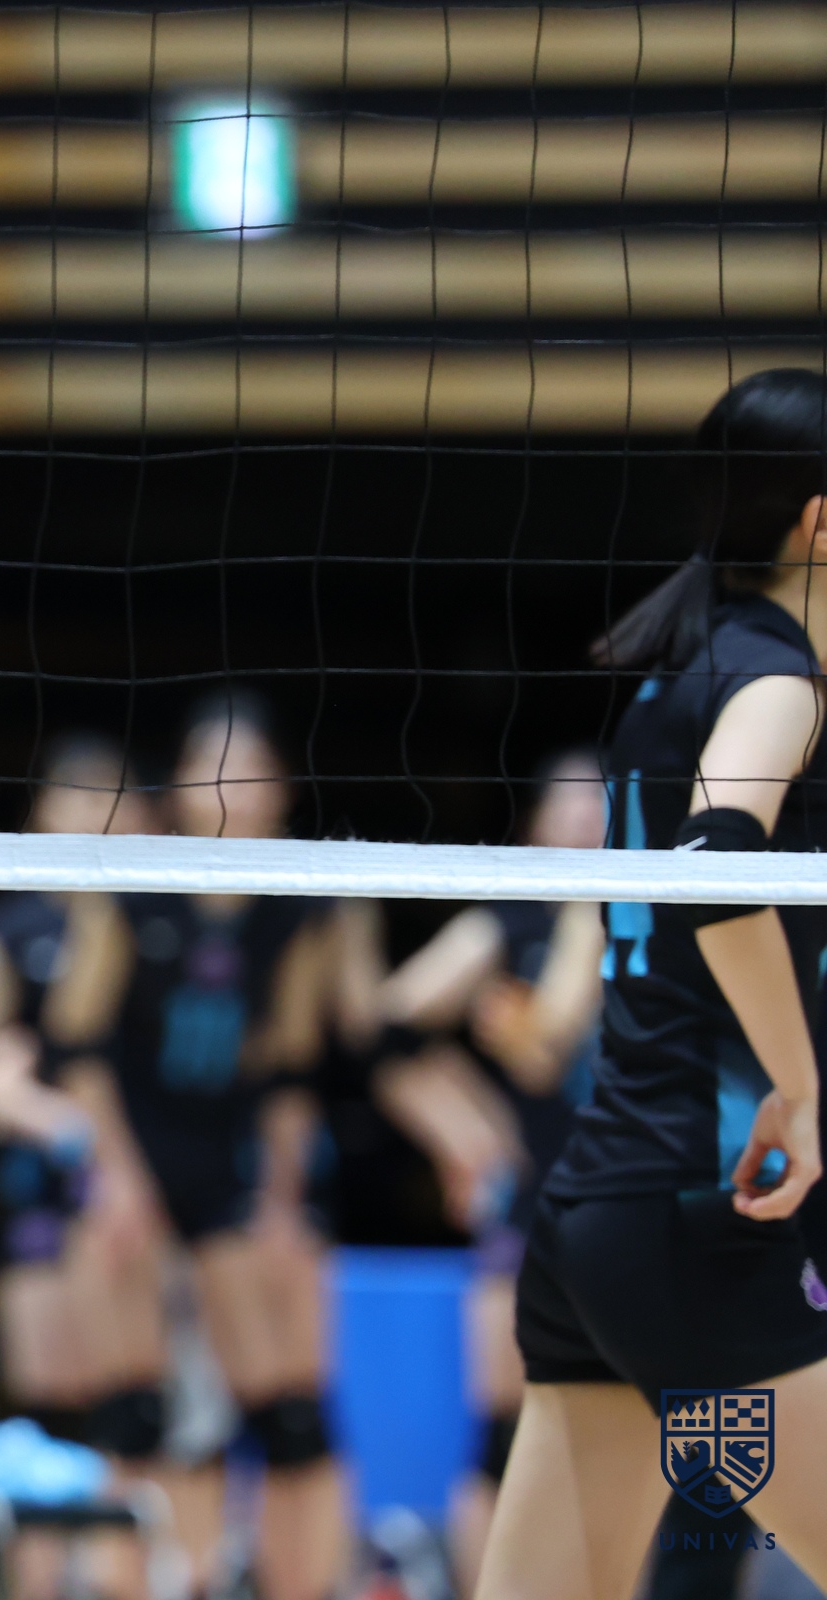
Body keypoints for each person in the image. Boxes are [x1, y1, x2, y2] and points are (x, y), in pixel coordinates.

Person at [479, 369, 827, 1597]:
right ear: (822, 522)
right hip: (701, 1227)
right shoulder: (774, 681)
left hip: (606, 1230)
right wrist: (801, 1087)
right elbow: (713, 869)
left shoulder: (677, 672)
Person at [36, 696, 348, 1600]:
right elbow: (74, 1050)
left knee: (289, 1417)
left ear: (282, 789)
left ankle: (281, 1583)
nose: (232, 789)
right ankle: (125, 1587)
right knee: (132, 1409)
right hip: (127, 1159)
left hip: (225, 1172)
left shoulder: (295, 909)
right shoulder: (131, 886)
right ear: (180, 783)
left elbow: (290, 1071)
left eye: (252, 771)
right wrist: (116, 1179)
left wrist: (283, 1200)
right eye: (215, 767)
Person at [0, 733, 176, 1598]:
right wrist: (57, 1124)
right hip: (48, 1195)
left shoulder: (160, 924)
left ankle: (133, 1583)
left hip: (152, 1191)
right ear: (43, 811)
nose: (98, 817)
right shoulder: (7, 929)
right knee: (50, 1420)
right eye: (79, 797)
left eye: (114, 801)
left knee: (135, 1411)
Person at [373, 752, 605, 1596]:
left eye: (598, 802)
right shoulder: (513, 918)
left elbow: (547, 1046)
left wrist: (523, 1032)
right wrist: (466, 1130)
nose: (582, 818)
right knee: (505, 1433)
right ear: (534, 822)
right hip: (532, 1202)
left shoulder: (660, 911)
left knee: (623, 1428)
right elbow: (388, 1029)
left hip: (633, 1200)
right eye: (565, 802)